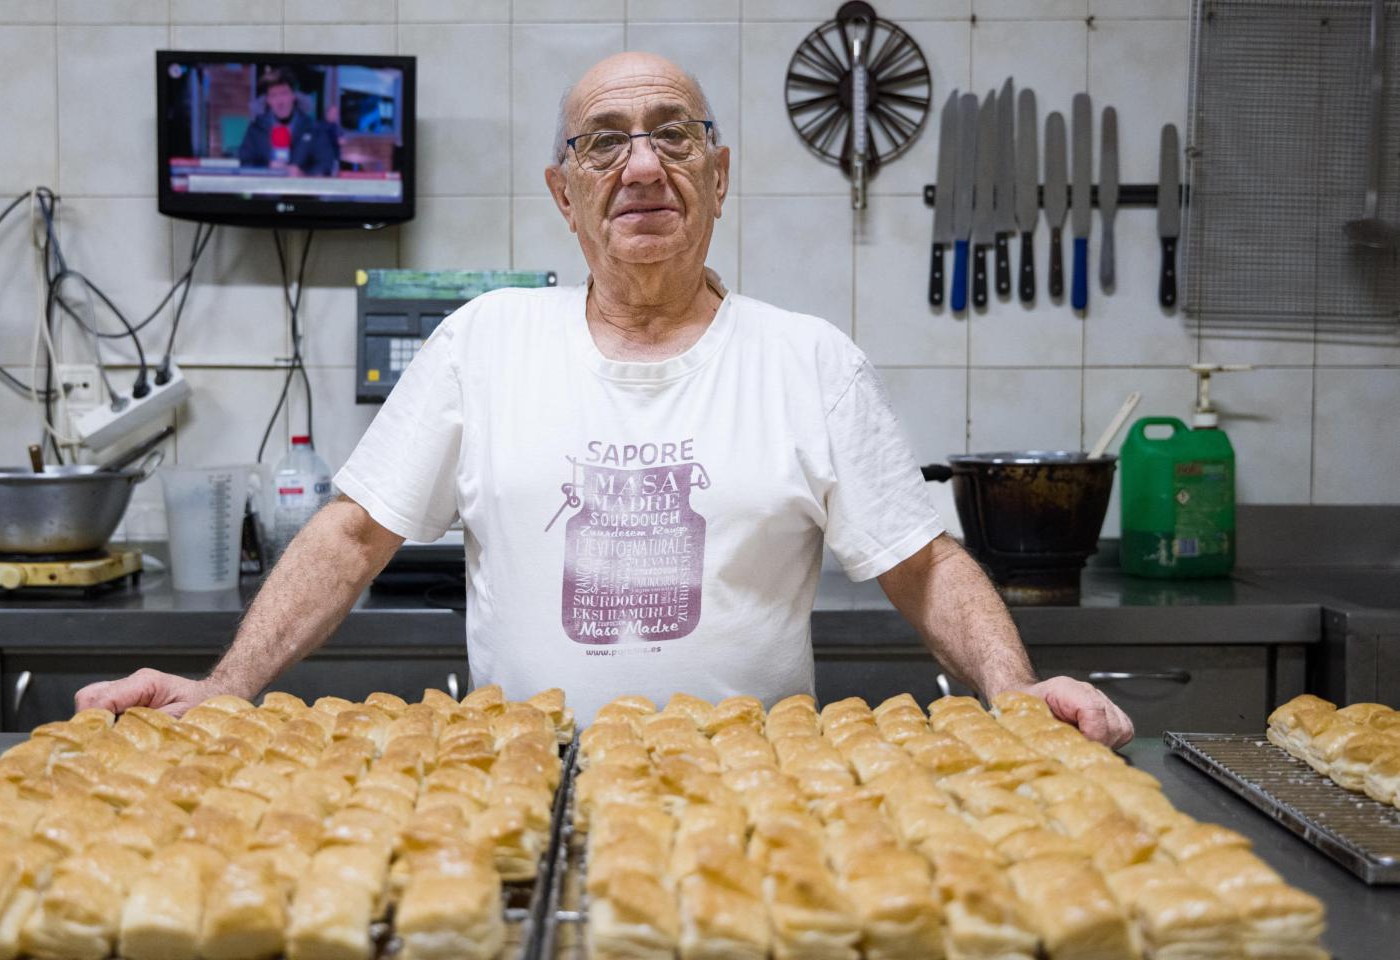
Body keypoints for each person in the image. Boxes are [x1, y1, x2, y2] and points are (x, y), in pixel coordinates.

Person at [79, 52, 1135, 748]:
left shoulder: (806, 361)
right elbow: (352, 533)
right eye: (603, 141)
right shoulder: (483, 343)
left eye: (673, 136)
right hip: (523, 785)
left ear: (717, 176)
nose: (641, 166)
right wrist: (227, 688)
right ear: (563, 190)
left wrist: (1009, 690)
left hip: (757, 801)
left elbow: (921, 559)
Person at [236, 68, 340, 176]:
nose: (280, 101)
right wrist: (267, 168)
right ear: (267, 100)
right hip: (266, 190)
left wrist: (303, 174)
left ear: (293, 96)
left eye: (284, 93)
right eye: (274, 95)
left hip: (300, 191)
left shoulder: (314, 129)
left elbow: (326, 164)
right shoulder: (256, 129)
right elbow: (245, 163)